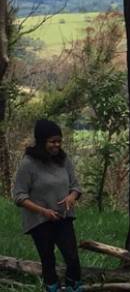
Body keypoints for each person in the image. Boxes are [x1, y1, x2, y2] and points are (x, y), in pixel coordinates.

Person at [12, 119, 84, 292]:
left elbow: (76, 186)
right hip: (40, 220)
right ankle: (52, 287)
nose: (56, 145)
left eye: (59, 141)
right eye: (52, 141)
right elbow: (19, 196)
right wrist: (43, 211)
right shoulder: (28, 164)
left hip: (63, 217)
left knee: (72, 257)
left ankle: (73, 287)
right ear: (42, 140)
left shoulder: (63, 160)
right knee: (48, 258)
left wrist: (71, 197)